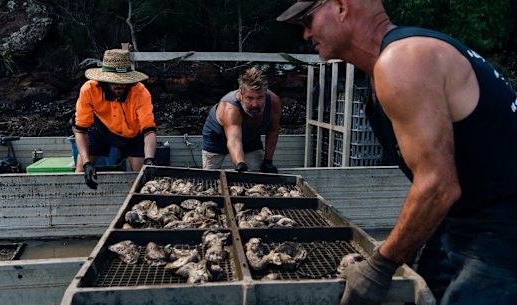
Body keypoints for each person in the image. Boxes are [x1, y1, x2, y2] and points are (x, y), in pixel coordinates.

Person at [278, 1, 517, 305]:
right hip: (462, 220)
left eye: (307, 19)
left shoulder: (403, 60)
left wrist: (380, 266)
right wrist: (410, 244)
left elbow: (438, 185)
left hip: (502, 230)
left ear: (340, 7)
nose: (306, 33)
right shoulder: (389, 64)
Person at [74, 49, 157, 190]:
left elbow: (149, 131)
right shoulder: (89, 90)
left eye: (123, 82)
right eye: (114, 82)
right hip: (101, 130)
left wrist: (150, 160)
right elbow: (80, 130)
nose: (119, 85)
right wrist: (88, 163)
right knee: (82, 169)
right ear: (104, 80)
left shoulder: (140, 92)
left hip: (133, 134)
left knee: (143, 177)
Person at [202, 67, 281, 173]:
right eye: (249, 98)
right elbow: (234, 141)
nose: (255, 104)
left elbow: (273, 131)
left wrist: (267, 161)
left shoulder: (273, 102)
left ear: (265, 93)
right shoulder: (231, 108)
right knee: (210, 175)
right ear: (241, 95)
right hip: (217, 138)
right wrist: (240, 164)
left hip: (250, 138)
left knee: (256, 173)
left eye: (260, 98)